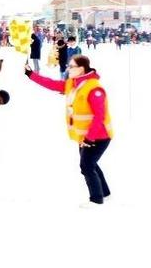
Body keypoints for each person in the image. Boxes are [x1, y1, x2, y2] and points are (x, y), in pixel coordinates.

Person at [24, 55, 113, 207]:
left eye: (71, 66)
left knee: (86, 166)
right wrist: (31, 75)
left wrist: (90, 138)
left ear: (81, 69)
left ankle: (96, 199)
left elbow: (99, 116)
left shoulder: (94, 88)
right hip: (84, 136)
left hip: (98, 136)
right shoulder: (74, 84)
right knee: (91, 164)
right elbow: (52, 84)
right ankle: (105, 192)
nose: (68, 69)